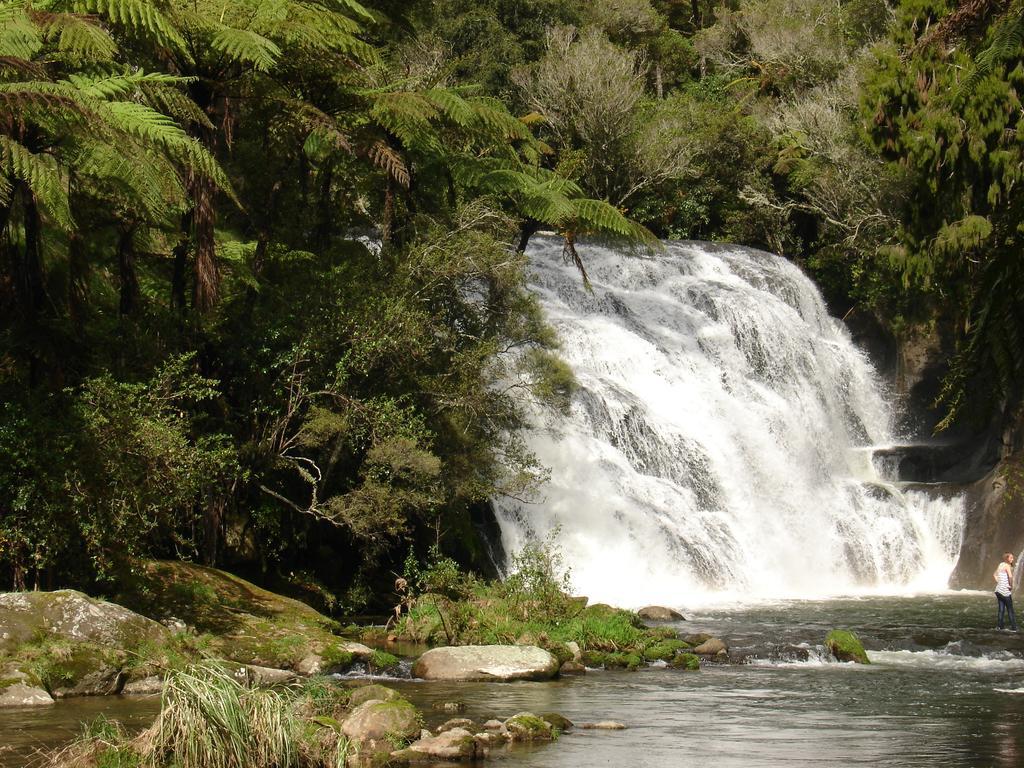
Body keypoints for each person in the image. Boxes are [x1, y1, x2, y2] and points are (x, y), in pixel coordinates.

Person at [994, 552, 1018, 631]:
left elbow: (994, 574)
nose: (1012, 559)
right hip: (1005, 591)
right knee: (1010, 610)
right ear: (1007, 558)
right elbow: (1010, 577)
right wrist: (1011, 586)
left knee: (1001, 609)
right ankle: (1014, 628)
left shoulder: (1001, 564)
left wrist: (999, 582)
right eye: (1011, 558)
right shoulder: (1007, 566)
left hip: (998, 590)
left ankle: (1000, 626)